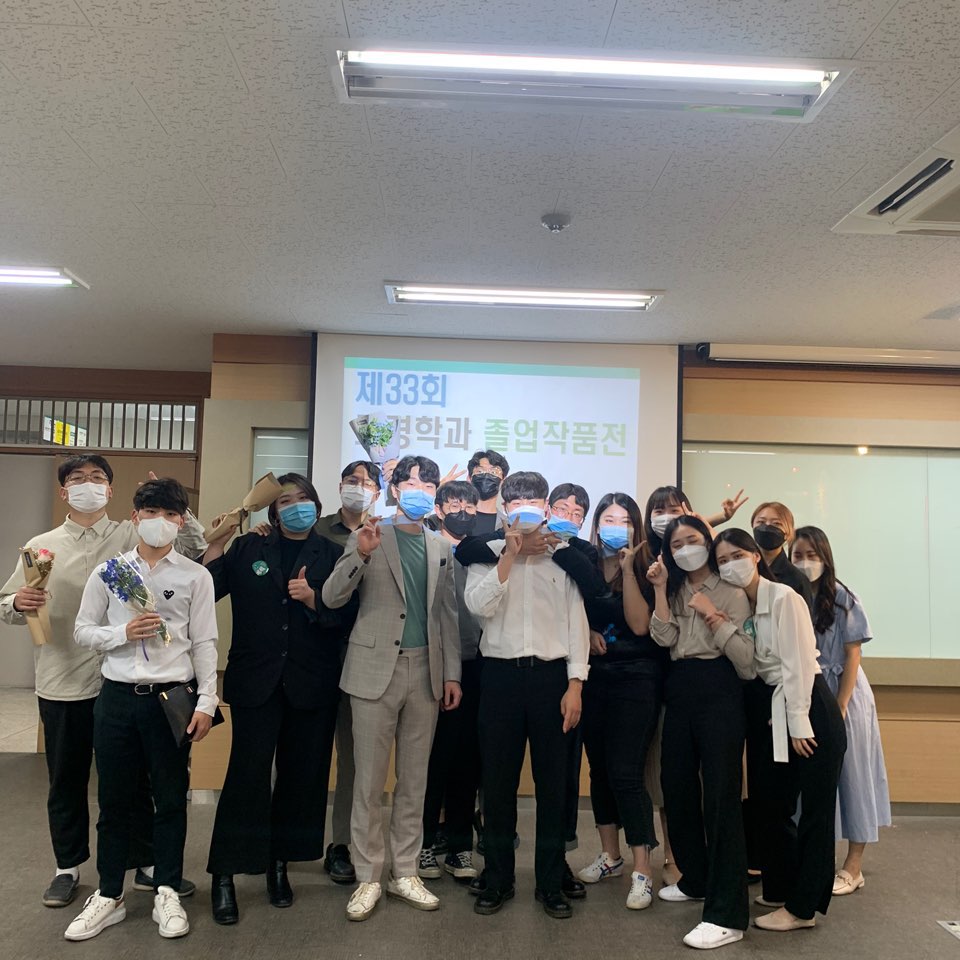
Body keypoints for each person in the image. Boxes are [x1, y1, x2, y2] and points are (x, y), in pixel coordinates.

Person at [0, 455, 205, 908]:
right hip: (65, 677)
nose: (87, 485)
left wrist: (174, 505)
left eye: (97, 478)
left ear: (111, 491)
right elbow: (7, 603)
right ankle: (67, 867)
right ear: (64, 491)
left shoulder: (134, 532)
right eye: (78, 479)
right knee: (67, 778)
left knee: (138, 782)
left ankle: (145, 862)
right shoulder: (41, 547)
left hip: (129, 681)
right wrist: (18, 602)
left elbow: (193, 546)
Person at [67, 478, 218, 941]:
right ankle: (109, 894)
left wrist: (207, 700)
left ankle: (167, 889)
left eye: (171, 514)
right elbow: (82, 630)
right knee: (114, 801)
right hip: (116, 699)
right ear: (135, 517)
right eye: (152, 512)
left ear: (181, 521)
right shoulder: (110, 571)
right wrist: (122, 634)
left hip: (170, 700)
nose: (161, 522)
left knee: (171, 800)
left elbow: (205, 643)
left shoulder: (195, 576)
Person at [202, 474, 353, 924]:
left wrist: (314, 601)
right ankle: (225, 874)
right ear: (273, 510)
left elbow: (347, 619)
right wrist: (216, 544)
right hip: (257, 680)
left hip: (312, 683)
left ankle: (278, 864)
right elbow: (207, 590)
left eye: (303, 499)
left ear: (316, 506)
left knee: (300, 778)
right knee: (246, 777)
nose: (296, 507)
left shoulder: (333, 554)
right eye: (286, 501)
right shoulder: (249, 547)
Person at [321, 455, 462, 922]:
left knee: (414, 782)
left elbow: (446, 615)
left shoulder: (440, 546)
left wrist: (452, 674)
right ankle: (368, 876)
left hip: (426, 673)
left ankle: (405, 872)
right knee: (367, 782)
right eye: (411, 482)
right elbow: (332, 597)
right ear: (395, 489)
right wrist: (360, 554)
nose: (420, 490)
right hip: (372, 670)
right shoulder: (370, 534)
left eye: (429, 484)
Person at [464, 471, 590, 920]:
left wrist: (575, 683)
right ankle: (498, 877)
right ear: (504, 508)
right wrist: (510, 557)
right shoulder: (487, 554)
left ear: (546, 506)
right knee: (497, 785)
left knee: (554, 786)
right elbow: (478, 607)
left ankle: (551, 881)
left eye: (534, 500)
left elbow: (577, 623)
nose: (526, 508)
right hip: (499, 678)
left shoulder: (563, 557)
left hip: (553, 679)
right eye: (516, 501)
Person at [711, 529, 846, 933]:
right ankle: (782, 887)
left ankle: (803, 909)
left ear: (756, 555)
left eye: (737, 555)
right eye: (722, 561)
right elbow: (752, 667)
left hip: (808, 707)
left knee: (816, 813)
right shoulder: (744, 606)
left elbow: (799, 662)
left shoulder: (785, 597)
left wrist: (799, 722)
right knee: (772, 803)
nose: (730, 565)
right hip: (776, 707)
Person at [647, 515, 755, 950]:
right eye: (676, 544)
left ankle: (728, 915)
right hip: (681, 688)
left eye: (692, 540)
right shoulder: (674, 588)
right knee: (677, 788)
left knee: (721, 798)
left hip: (719, 688)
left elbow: (746, 661)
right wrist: (659, 590)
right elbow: (663, 638)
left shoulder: (732, 590)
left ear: (708, 543)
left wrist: (713, 616)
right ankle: (697, 879)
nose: (685, 549)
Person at [576, 493, 668, 912]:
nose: (617, 527)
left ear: (637, 527)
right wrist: (585, 634)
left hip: (637, 678)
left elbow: (638, 624)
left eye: (625, 520)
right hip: (594, 679)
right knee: (598, 770)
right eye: (609, 519)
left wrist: (629, 568)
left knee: (626, 773)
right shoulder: (587, 563)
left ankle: (642, 870)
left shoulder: (648, 566)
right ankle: (610, 856)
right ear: (597, 525)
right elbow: (571, 612)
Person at [791, 526, 890, 896]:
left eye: (812, 555)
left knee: (853, 776)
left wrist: (842, 705)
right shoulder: (791, 596)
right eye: (798, 556)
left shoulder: (844, 598)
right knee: (810, 781)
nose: (805, 563)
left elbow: (853, 655)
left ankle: (853, 866)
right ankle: (812, 859)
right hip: (807, 694)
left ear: (825, 558)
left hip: (844, 695)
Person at [314, 460, 383, 886]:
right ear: (340, 485)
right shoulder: (318, 529)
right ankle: (287, 843)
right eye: (352, 481)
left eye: (367, 482)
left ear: (378, 491)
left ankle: (342, 843)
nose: (359, 487)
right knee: (305, 754)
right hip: (319, 654)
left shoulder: (385, 532)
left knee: (354, 761)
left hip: (367, 659)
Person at [418, 480, 483, 882]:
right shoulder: (428, 548)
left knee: (467, 761)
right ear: (439, 509)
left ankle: (460, 847)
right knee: (433, 761)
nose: (463, 511)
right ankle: (424, 844)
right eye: (455, 503)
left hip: (478, 667)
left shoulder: (483, 552)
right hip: (436, 667)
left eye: (470, 506)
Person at [749, 502, 814, 608]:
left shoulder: (797, 580)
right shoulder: (745, 568)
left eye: (776, 523)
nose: (767, 526)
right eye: (761, 522)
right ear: (752, 526)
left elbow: (803, 618)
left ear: (788, 532)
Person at [466, 449, 509, 535]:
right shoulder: (454, 517)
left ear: (503, 481)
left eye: (493, 472)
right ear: (469, 479)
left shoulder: (508, 525)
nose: (486, 476)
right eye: (480, 471)